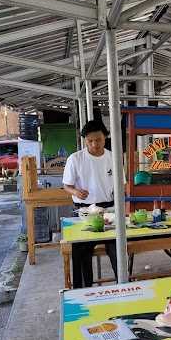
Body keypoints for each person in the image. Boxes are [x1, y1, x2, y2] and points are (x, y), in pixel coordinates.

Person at [63, 120, 120, 288]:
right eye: (90, 141)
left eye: (98, 140)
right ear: (85, 140)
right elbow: (67, 185)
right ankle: (83, 290)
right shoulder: (75, 159)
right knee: (80, 251)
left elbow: (120, 185)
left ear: (105, 138)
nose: (94, 144)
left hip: (109, 210)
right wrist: (76, 192)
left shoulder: (113, 157)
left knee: (117, 247)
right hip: (85, 212)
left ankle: (122, 284)